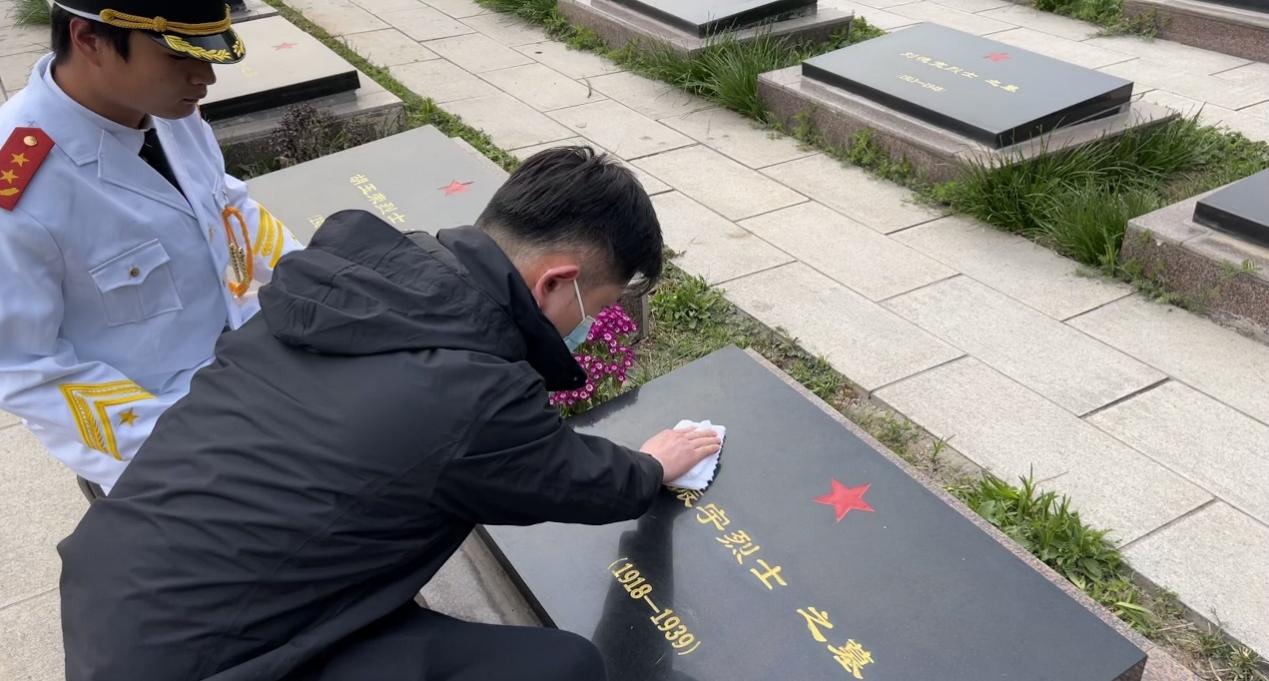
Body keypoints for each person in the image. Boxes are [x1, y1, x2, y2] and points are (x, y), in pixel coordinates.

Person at [58, 146, 723, 681]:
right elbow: (580, 479)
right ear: (556, 282)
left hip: (115, 595)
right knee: (562, 666)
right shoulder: (474, 391)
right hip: (205, 662)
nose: (590, 326)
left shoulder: (354, 280)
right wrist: (651, 465)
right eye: (598, 307)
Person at [0, 0, 300, 498]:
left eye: (204, 54)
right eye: (179, 56)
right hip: (163, 446)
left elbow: (226, 205)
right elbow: (22, 367)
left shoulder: (163, 107)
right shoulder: (18, 189)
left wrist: (309, 274)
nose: (205, 78)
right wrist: (185, 451)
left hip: (255, 376)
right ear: (89, 40)